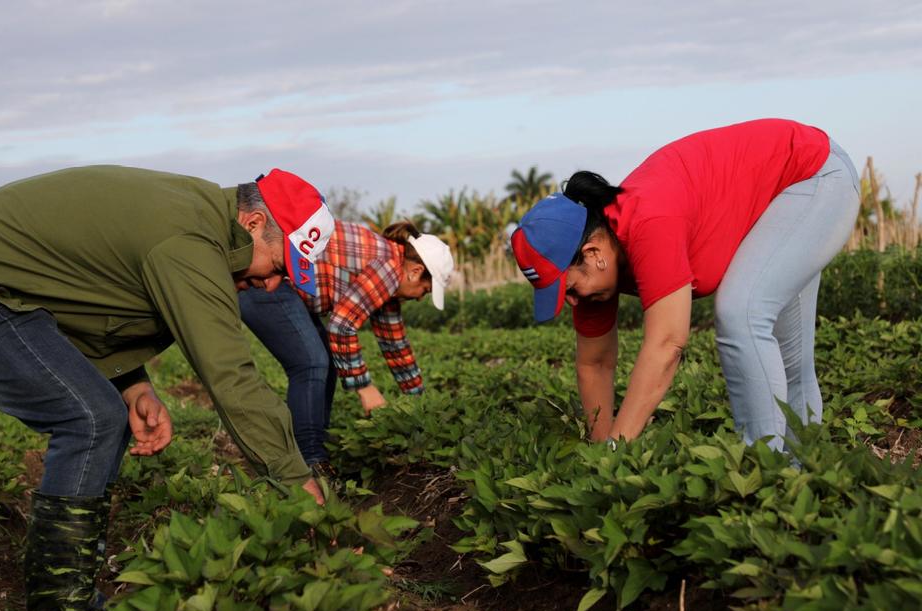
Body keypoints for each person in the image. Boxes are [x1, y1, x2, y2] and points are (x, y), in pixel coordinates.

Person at [0, 165, 335, 611]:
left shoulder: (193, 216)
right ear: (253, 224)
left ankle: (75, 602)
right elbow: (231, 375)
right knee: (88, 420)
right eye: (278, 266)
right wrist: (297, 482)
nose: (274, 284)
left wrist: (133, 385)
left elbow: (88, 293)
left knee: (109, 414)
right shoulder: (188, 241)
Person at [511, 118, 860, 452]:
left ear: (593, 253)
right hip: (783, 192)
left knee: (742, 312)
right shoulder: (597, 267)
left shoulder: (649, 221)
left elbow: (667, 344)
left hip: (813, 175)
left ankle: (762, 473)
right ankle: (797, 478)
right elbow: (594, 363)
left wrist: (618, 450)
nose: (573, 302)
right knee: (786, 358)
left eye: (569, 289)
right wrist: (602, 453)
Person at [239, 220, 454, 478]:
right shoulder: (387, 267)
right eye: (425, 289)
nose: (420, 296)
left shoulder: (390, 270)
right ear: (415, 271)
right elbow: (341, 326)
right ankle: (308, 464)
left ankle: (312, 450)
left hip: (282, 286)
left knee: (325, 362)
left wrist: (421, 402)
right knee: (312, 363)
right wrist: (365, 388)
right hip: (265, 280)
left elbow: (395, 344)